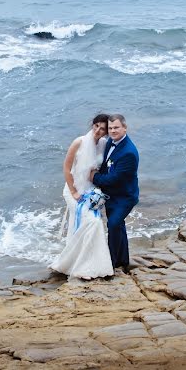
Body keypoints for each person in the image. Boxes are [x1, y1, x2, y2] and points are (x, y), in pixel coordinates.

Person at [49, 114, 114, 279]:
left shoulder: (104, 144)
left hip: (91, 191)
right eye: (96, 126)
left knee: (95, 223)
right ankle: (75, 263)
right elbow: (66, 168)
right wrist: (74, 192)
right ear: (92, 125)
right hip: (74, 190)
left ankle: (94, 265)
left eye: (102, 129)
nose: (98, 131)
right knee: (91, 222)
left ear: (106, 132)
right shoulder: (79, 142)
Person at [90, 114, 139, 273]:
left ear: (125, 127)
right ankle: (123, 260)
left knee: (113, 224)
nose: (112, 131)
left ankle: (110, 264)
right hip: (112, 195)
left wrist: (94, 177)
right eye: (110, 128)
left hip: (125, 197)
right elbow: (106, 166)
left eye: (116, 127)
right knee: (118, 225)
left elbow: (114, 178)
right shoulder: (111, 141)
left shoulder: (129, 153)